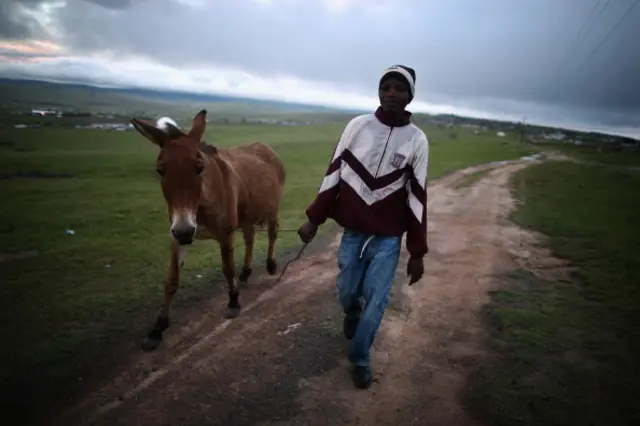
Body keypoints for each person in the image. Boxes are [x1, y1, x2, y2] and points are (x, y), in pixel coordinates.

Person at [297, 64, 429, 389]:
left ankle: (359, 358)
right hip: (353, 232)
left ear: (410, 95)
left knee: (377, 298)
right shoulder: (357, 126)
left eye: (400, 88)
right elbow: (334, 175)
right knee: (347, 291)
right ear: (379, 91)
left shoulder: (417, 140)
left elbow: (417, 197)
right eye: (386, 87)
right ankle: (350, 312)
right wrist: (314, 219)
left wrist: (417, 251)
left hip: (387, 238)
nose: (391, 94)